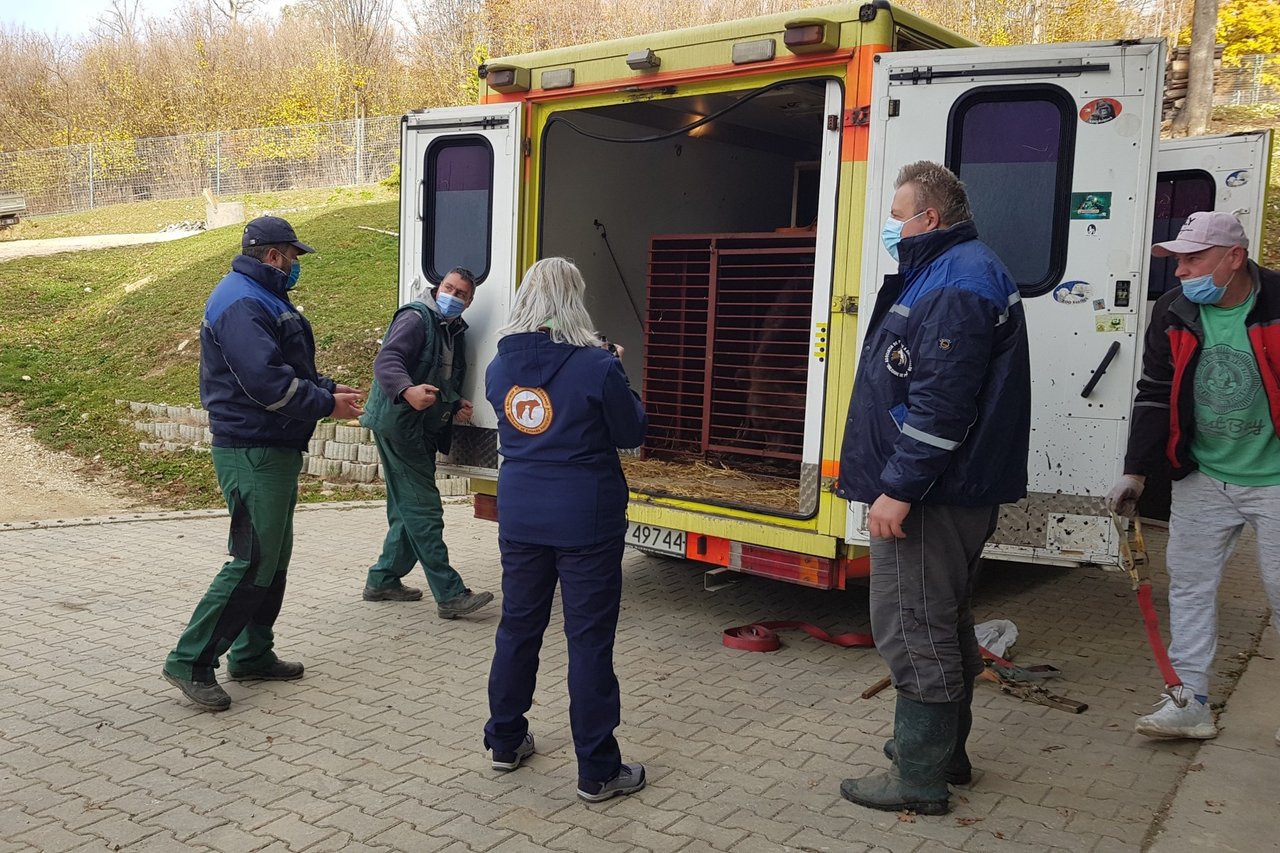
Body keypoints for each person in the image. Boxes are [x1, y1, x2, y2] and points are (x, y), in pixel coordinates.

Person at [834, 161, 1031, 814]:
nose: (891, 226)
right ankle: (947, 755)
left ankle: (918, 779)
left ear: (930, 219)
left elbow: (942, 403)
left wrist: (898, 488)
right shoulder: (952, 270)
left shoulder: (956, 280)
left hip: (932, 496)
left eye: (898, 215)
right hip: (952, 490)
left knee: (914, 629)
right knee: (944, 621)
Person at [162, 216, 364, 712]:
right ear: (274, 256)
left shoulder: (259, 295)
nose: (296, 265)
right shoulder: (241, 301)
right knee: (252, 559)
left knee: (272, 558)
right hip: (252, 448)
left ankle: (253, 654)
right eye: (294, 257)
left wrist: (327, 387)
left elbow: (288, 368)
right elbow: (266, 384)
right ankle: (190, 660)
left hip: (271, 447)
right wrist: (325, 404)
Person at [1108, 211, 1280, 745]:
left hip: (1274, 478)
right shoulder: (1173, 310)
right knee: (1188, 587)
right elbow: (1155, 392)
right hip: (1203, 474)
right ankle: (1189, 702)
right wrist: (1134, 472)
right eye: (1177, 259)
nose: (1181, 271)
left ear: (1235, 257)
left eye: (1193, 258)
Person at [482, 257, 649, 802]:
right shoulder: (596, 366)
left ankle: (505, 741)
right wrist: (616, 369)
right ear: (572, 301)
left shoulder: (499, 368)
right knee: (589, 641)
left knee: (518, 627)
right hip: (587, 517)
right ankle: (597, 769)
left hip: (523, 512)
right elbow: (630, 431)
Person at [360, 268, 493, 619]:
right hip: (399, 424)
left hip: (416, 427)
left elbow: (437, 375)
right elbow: (388, 360)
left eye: (461, 292)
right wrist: (406, 390)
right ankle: (449, 594)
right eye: (448, 287)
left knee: (409, 508)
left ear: (469, 301)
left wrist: (453, 402)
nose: (452, 294)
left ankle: (383, 579)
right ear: (438, 287)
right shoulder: (416, 318)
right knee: (424, 508)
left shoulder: (452, 330)